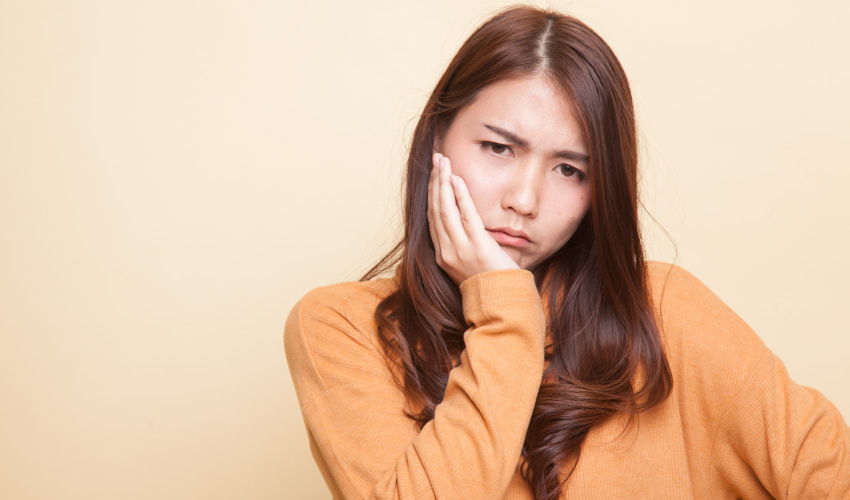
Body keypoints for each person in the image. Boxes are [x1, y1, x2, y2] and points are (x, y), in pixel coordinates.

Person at [284, 5, 850, 499]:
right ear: (436, 138)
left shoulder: (664, 311)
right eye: (499, 147)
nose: (525, 200)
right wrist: (505, 309)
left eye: (569, 169)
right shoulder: (343, 329)